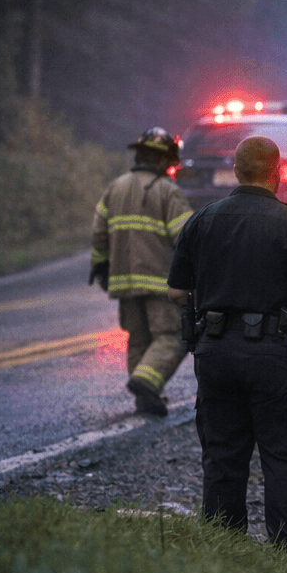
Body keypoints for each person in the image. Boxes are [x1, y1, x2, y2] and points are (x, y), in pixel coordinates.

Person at [167, 136, 287, 547]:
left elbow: (176, 292)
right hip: (274, 357)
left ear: (235, 171)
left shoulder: (201, 221)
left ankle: (224, 548)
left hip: (215, 353)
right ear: (277, 172)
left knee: (222, 456)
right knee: (284, 455)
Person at [90, 127, 192, 416]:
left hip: (124, 282)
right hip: (161, 282)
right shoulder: (168, 191)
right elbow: (186, 239)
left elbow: (98, 234)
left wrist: (101, 267)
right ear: (161, 159)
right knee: (174, 336)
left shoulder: (115, 187)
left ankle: (146, 399)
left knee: (139, 339)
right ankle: (146, 383)